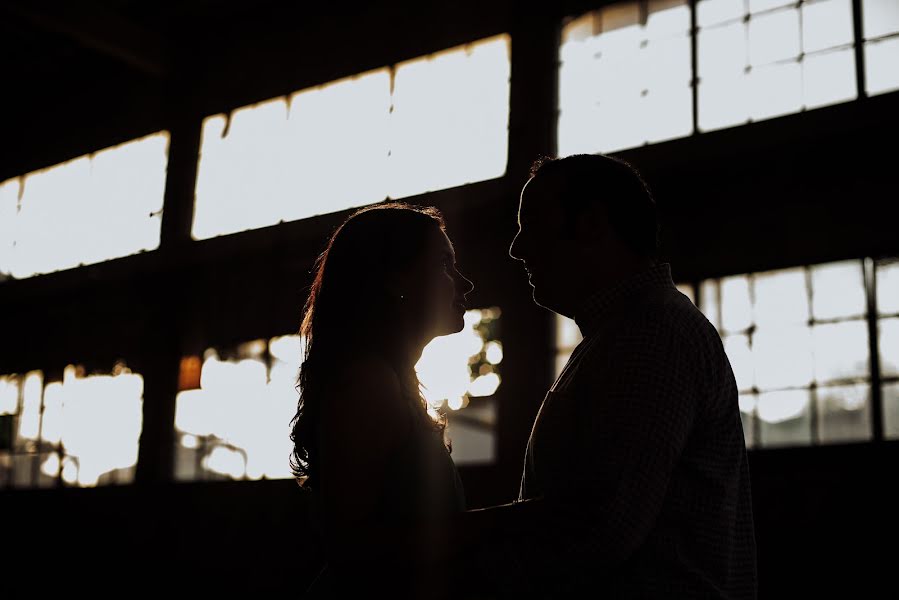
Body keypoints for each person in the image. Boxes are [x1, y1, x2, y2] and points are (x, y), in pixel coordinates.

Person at [464, 153, 757, 599]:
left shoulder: (651, 335)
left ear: (592, 224)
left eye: (533, 223)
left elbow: (600, 527)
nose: (516, 248)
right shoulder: (626, 333)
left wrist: (451, 549)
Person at [288, 202, 474, 598]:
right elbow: (352, 548)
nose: (464, 283)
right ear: (393, 278)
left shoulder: (391, 382)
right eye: (443, 264)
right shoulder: (369, 383)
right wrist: (506, 524)